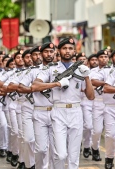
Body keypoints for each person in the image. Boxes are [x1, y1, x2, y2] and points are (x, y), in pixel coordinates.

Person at [31, 38, 94, 169]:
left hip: (76, 111)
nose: (67, 51)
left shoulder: (80, 69)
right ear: (59, 51)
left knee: (74, 156)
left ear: (75, 51)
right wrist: (56, 83)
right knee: (60, 154)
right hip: (58, 112)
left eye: (70, 48)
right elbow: (35, 86)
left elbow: (91, 96)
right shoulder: (51, 68)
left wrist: (87, 77)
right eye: (64, 48)